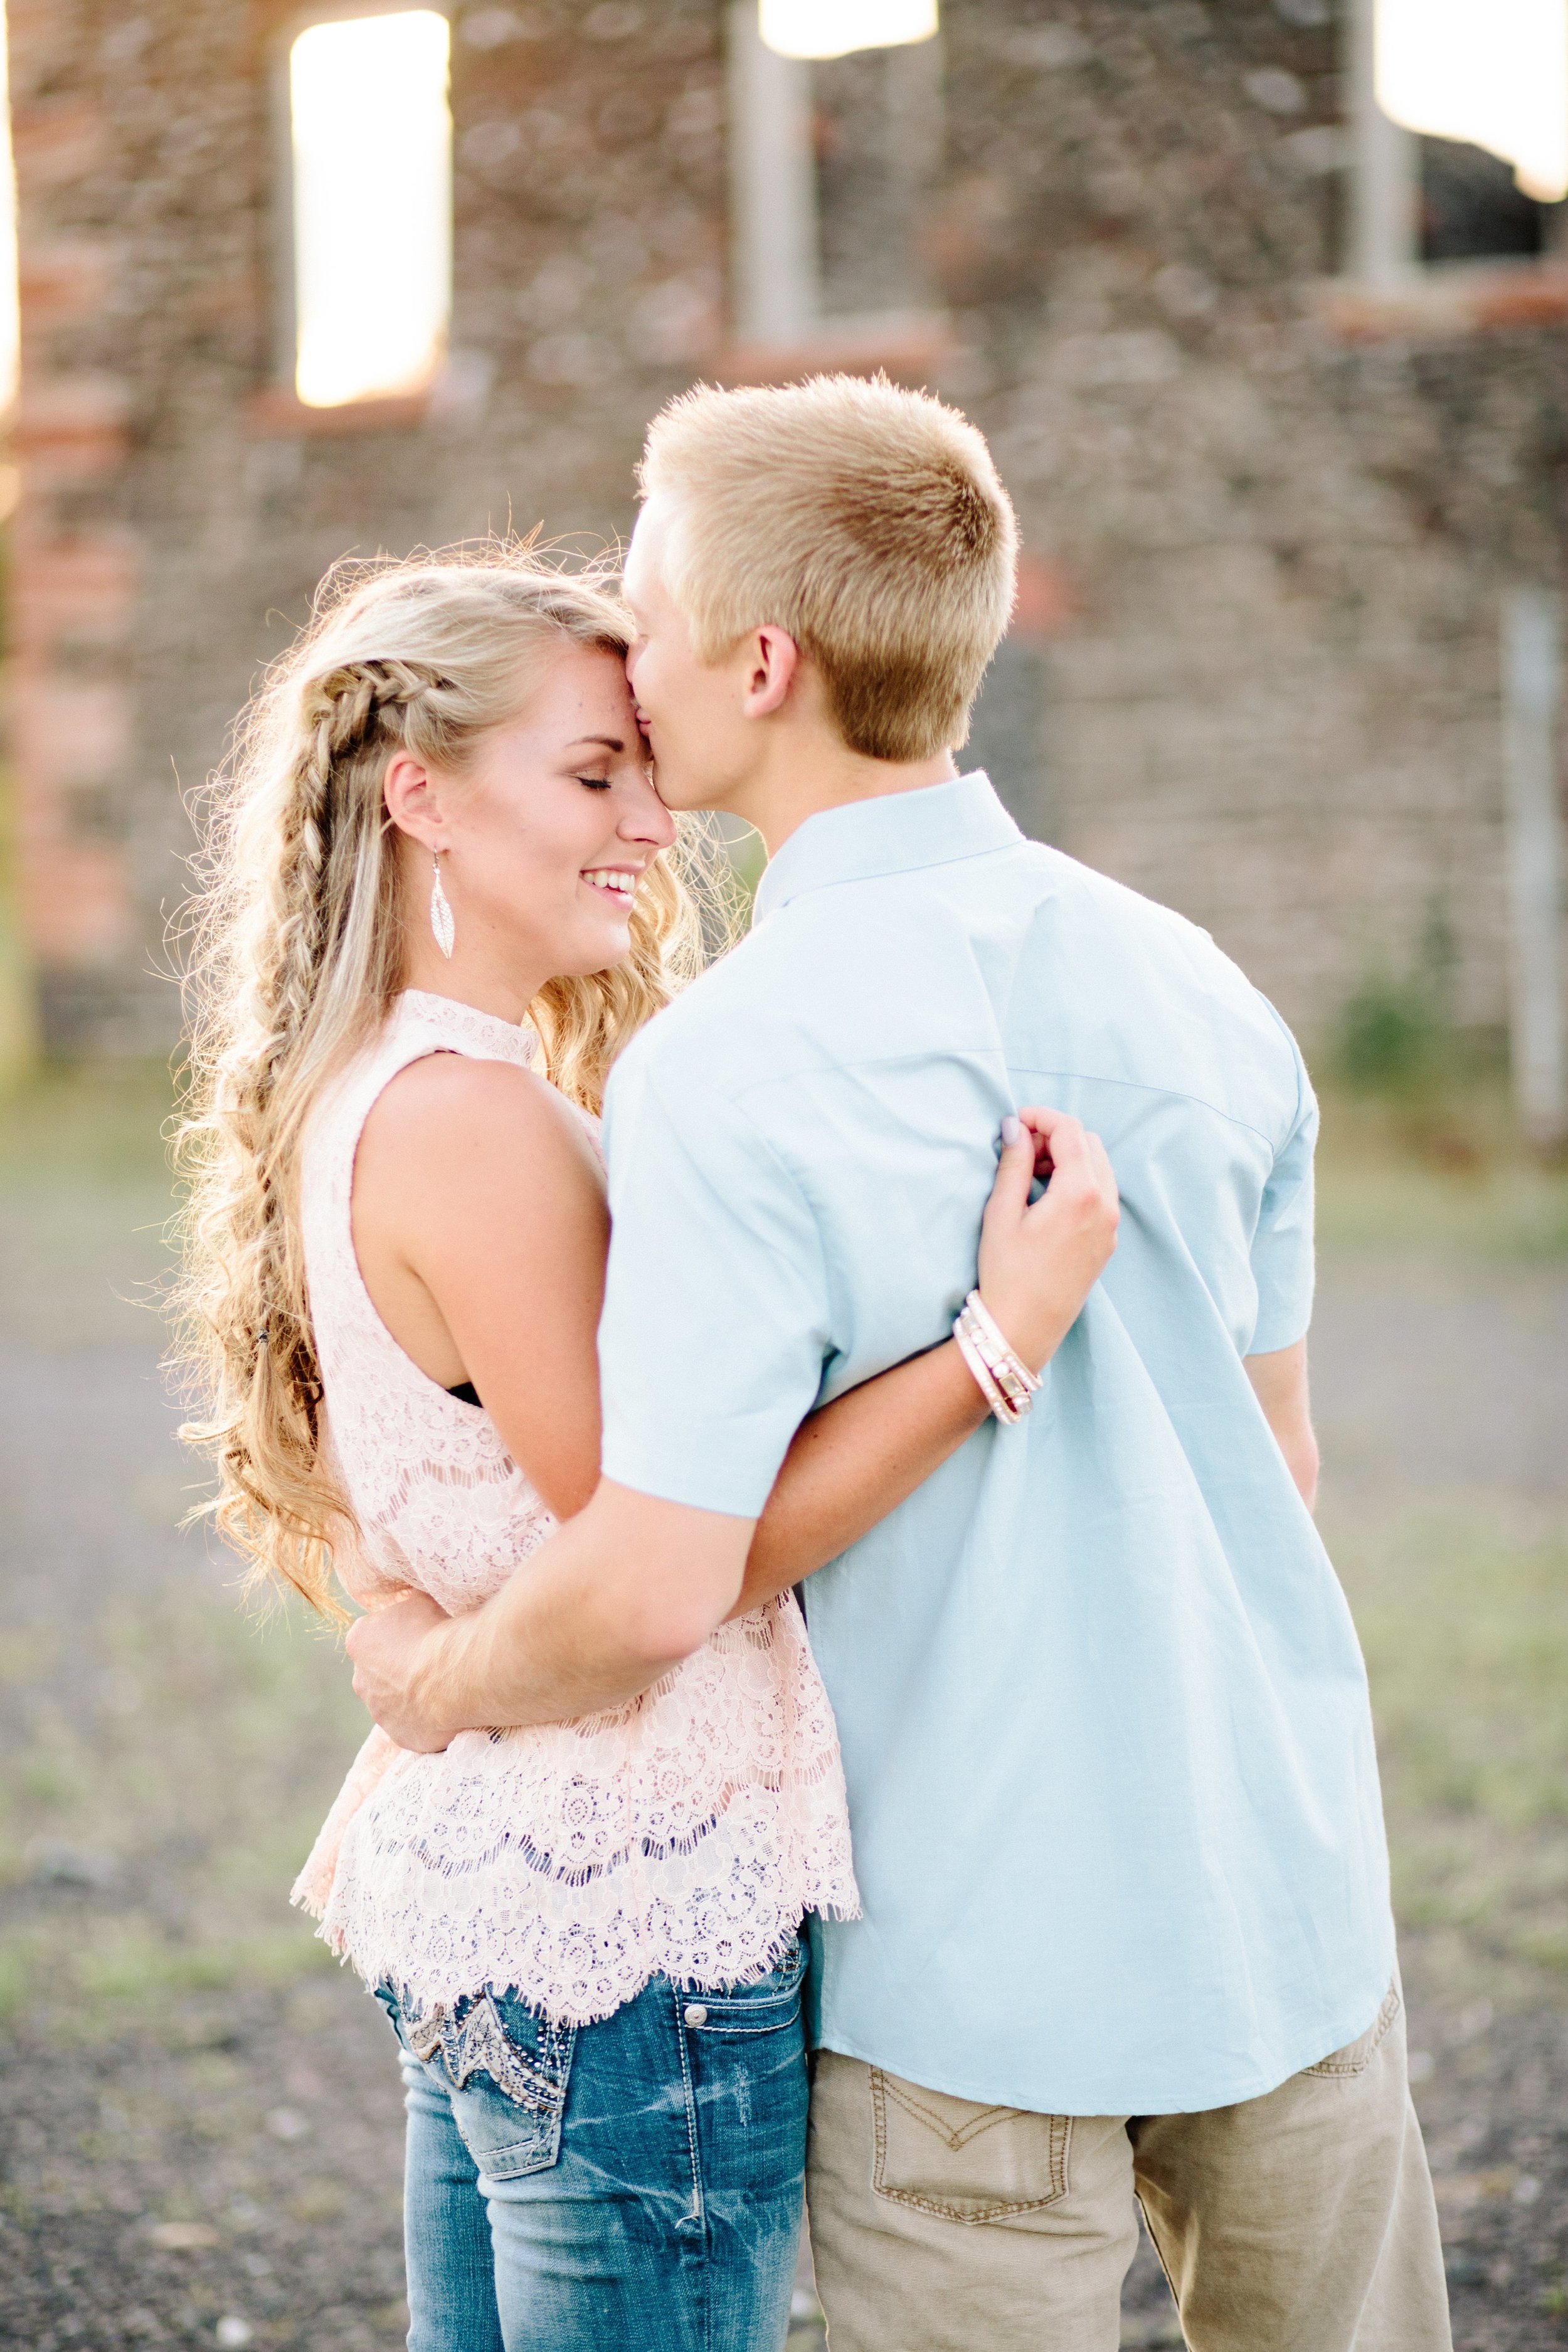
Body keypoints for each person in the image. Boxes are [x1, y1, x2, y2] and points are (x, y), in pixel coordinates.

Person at [350, 376, 1453, 2352]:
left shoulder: (728, 1067)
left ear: (760, 661)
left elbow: (659, 1578)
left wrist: (428, 1677)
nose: (629, 642)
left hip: (965, 1976)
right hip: (1287, 1911)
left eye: (652, 605)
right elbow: (1274, 1479)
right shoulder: (1208, 992)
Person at [170, 548, 1119, 2352]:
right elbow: (675, 1556)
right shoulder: (475, 1122)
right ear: (421, 797)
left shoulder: (372, 1086)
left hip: (504, 1921)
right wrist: (998, 1336)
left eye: (643, 771)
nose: (649, 821)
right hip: (630, 1936)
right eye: (591, 774)